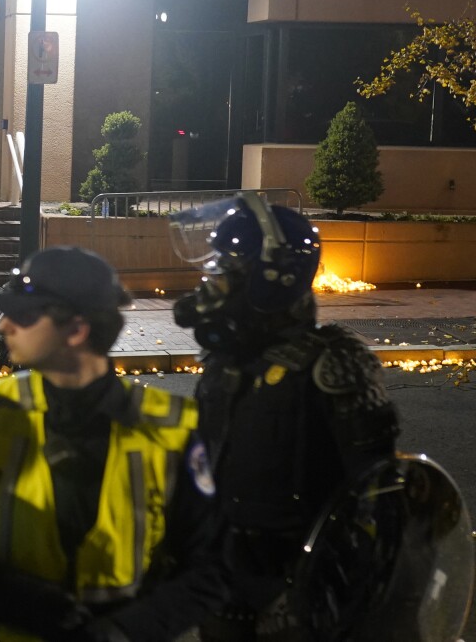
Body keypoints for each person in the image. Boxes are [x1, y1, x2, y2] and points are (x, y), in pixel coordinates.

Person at [0, 246, 224, 641]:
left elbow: (209, 569)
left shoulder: (172, 428)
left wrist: (122, 631)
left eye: (24, 315)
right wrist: (31, 605)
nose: (3, 326)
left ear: (77, 330)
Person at [168, 193, 400, 641]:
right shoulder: (226, 360)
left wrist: (333, 595)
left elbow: (382, 502)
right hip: (222, 591)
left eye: (225, 273)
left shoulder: (334, 363)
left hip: (300, 602)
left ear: (273, 279)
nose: (210, 286)